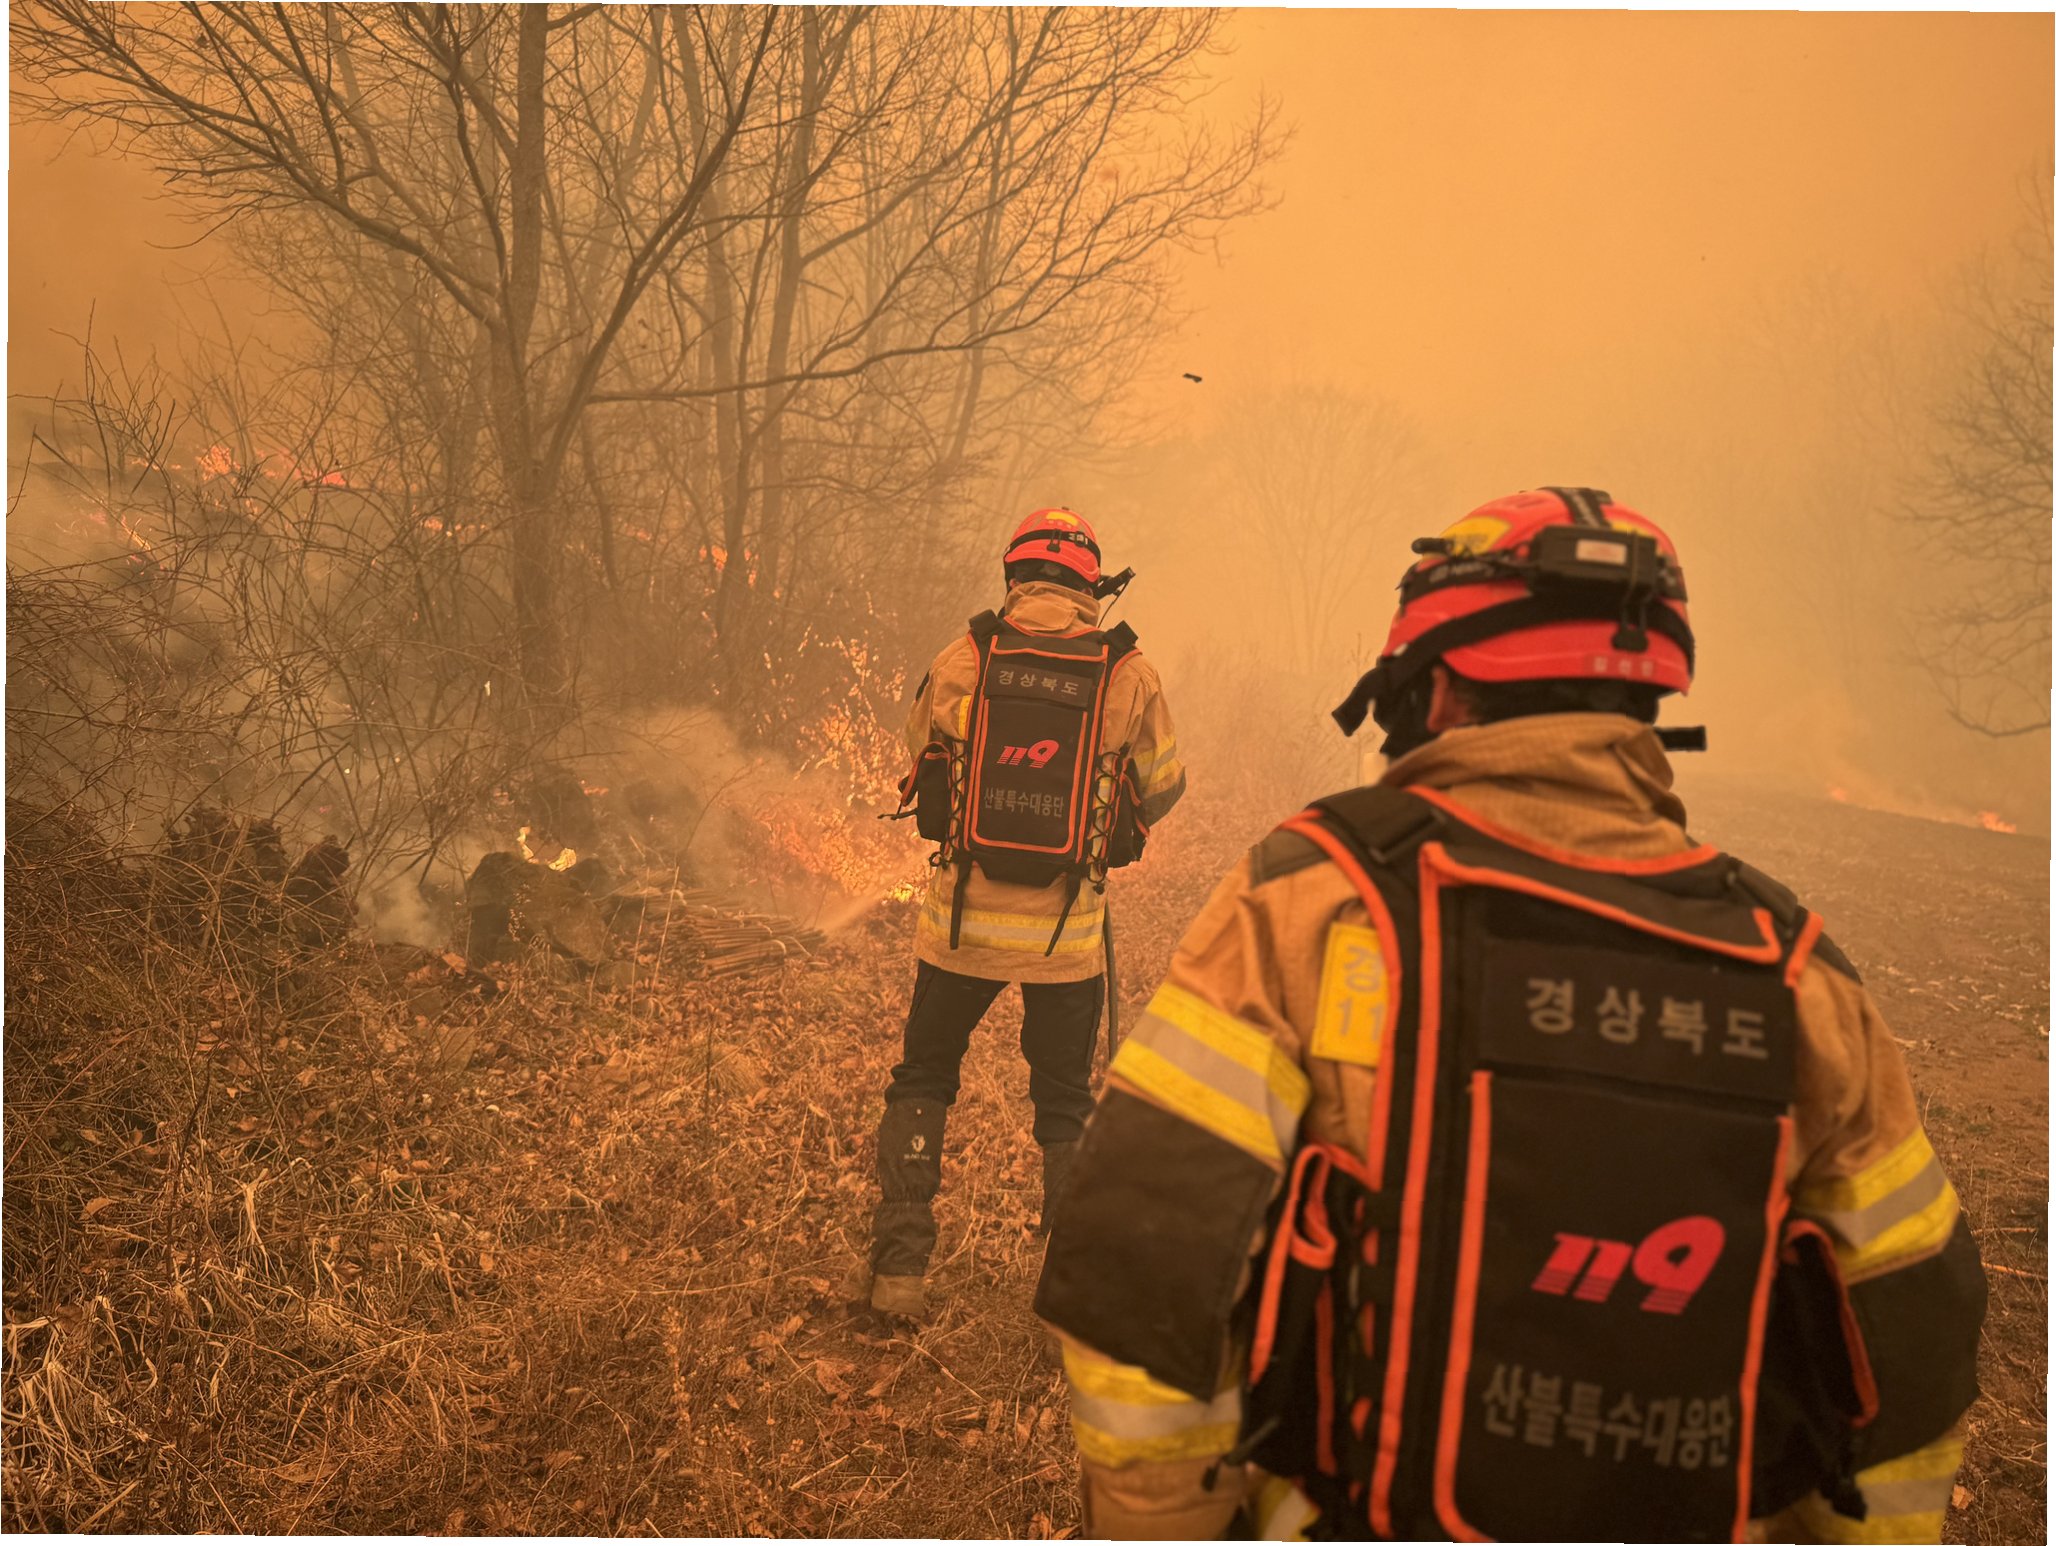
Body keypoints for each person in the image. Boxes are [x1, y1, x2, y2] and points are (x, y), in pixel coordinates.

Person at [1035, 488, 1987, 1542]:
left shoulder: (1311, 901)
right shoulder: (1799, 975)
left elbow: (1143, 1276)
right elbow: (1912, 1364)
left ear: (1435, 691)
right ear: (1646, 700)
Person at [861, 507, 1186, 1320]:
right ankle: (1061, 1310)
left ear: (1015, 575)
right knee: (1065, 1102)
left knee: (925, 1077)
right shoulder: (1129, 672)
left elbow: (917, 755)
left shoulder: (964, 656)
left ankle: (898, 1277)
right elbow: (1164, 786)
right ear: (1089, 585)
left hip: (959, 931)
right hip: (1065, 941)